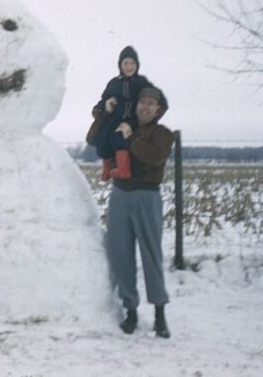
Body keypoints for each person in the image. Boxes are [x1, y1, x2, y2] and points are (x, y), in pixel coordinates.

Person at [105, 86, 174, 338]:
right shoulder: (122, 125)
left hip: (147, 196)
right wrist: (106, 112)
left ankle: (159, 315)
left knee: (150, 254)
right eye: (141, 102)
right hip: (120, 195)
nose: (145, 107)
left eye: (150, 104)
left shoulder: (163, 134)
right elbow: (99, 138)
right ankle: (130, 311)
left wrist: (131, 137)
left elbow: (153, 157)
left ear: (158, 109)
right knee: (120, 251)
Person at [89, 46, 154, 181]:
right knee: (101, 137)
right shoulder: (114, 83)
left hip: (132, 119)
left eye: (132, 63)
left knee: (118, 136)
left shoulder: (142, 83)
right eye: (125, 63)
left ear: (137, 65)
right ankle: (107, 167)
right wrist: (105, 107)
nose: (129, 67)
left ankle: (124, 170)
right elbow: (103, 100)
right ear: (120, 65)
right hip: (115, 118)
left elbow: (153, 101)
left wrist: (144, 116)